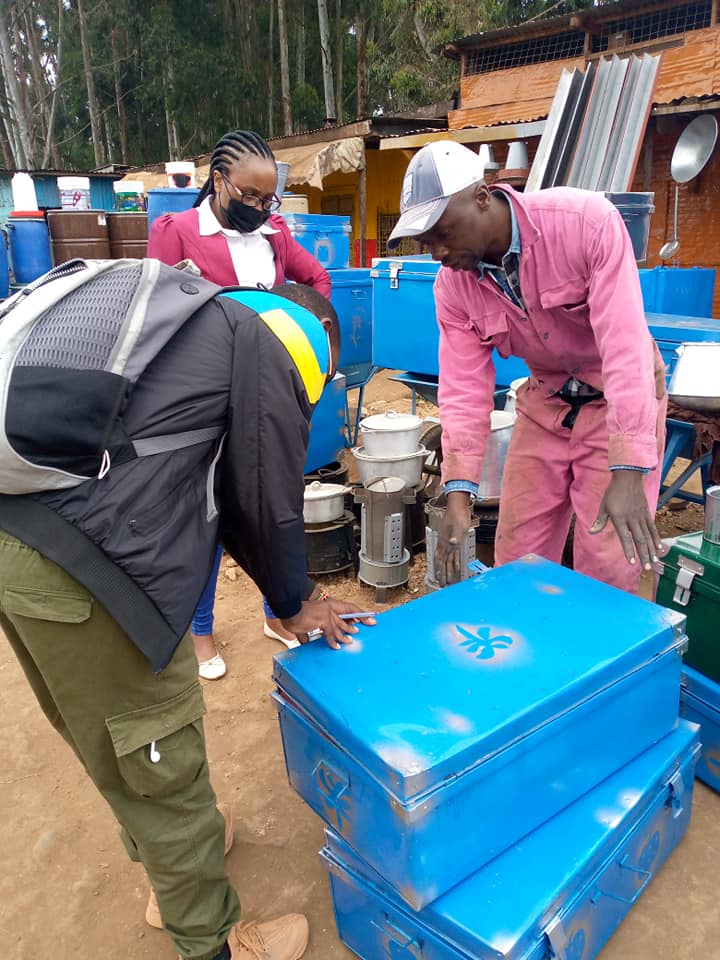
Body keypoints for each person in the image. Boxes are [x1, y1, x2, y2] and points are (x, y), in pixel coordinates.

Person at [0, 270, 374, 960]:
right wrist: (296, 602)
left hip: (21, 544)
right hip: (89, 571)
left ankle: (167, 874)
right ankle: (215, 942)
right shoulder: (275, 340)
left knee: (117, 742)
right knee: (160, 756)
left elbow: (215, 484)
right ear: (319, 335)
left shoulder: (186, 324)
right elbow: (265, 495)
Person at [387, 140, 667, 595]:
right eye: (425, 243)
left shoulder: (586, 224)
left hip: (618, 399)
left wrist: (629, 469)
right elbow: (462, 388)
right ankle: (528, 659)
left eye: (441, 232)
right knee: (517, 554)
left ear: (482, 196)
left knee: (608, 559)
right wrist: (458, 493)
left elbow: (625, 346)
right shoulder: (453, 287)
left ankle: (606, 658)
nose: (436, 252)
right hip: (546, 403)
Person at [148, 129, 332, 676]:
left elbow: (315, 277)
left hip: (268, 396)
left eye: (268, 198)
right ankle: (201, 634)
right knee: (208, 513)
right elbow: (157, 310)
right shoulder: (177, 231)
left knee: (270, 503)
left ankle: (276, 613)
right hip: (205, 400)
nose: (260, 208)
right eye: (249, 197)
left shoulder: (273, 234)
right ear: (219, 180)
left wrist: (312, 325)